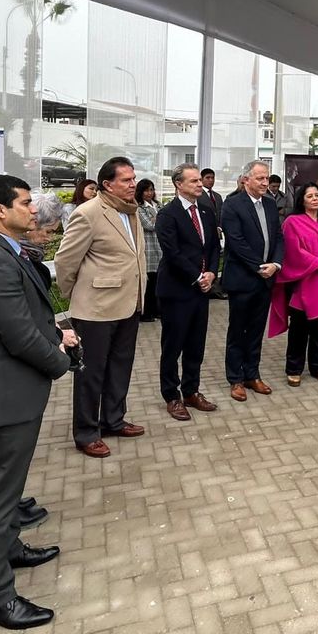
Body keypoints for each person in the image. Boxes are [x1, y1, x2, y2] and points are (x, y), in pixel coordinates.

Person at [0, 174, 73, 630]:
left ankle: (9, 549)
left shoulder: (5, 251)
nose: (34, 210)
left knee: (6, 489)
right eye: (26, 203)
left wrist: (57, 334)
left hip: (14, 392)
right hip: (2, 394)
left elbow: (32, 314)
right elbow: (19, 333)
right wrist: (60, 361)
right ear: (0, 210)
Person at [55, 157, 146, 458]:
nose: (133, 184)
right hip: (95, 309)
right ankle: (86, 432)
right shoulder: (89, 213)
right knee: (91, 373)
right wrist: (77, 296)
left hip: (129, 304)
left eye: (133, 179)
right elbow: (66, 261)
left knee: (120, 368)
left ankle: (113, 420)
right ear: (107, 184)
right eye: (126, 180)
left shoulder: (131, 211)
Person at [155, 164, 221, 420]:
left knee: (196, 344)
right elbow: (173, 253)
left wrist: (212, 273)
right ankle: (172, 396)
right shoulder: (167, 214)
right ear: (178, 184)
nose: (199, 185)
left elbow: (214, 246)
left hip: (201, 290)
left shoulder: (205, 211)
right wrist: (197, 277)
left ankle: (192, 390)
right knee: (173, 346)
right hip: (177, 289)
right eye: (193, 181)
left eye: (199, 181)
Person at [268, 183, 318, 386]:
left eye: (317, 195)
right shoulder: (292, 222)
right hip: (302, 282)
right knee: (299, 328)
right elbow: (294, 251)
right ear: (302, 200)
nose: (314, 199)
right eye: (309, 196)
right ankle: (294, 368)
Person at [220, 159, 283, 403]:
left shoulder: (269, 204)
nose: (265, 182)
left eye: (267, 178)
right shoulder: (232, 205)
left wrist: (275, 264)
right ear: (246, 179)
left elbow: (278, 237)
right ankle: (235, 379)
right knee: (238, 330)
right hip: (243, 279)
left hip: (266, 279)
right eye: (260, 178)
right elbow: (236, 242)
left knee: (256, 330)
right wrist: (260, 267)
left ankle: (252, 374)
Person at [135, 179, 163, 322]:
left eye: (151, 190)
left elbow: (163, 222)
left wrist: (157, 218)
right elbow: (149, 225)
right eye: (146, 190)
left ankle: (157, 311)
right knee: (149, 284)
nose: (149, 193)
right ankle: (146, 313)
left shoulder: (157, 205)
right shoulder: (139, 208)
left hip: (159, 248)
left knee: (158, 282)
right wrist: (159, 218)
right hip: (148, 249)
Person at [197, 167, 227, 299]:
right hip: (205, 233)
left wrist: (219, 227)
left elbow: (221, 214)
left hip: (218, 232)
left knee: (216, 258)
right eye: (207, 178)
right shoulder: (199, 195)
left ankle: (215, 287)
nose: (211, 180)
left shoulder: (217, 196)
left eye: (212, 178)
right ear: (202, 179)